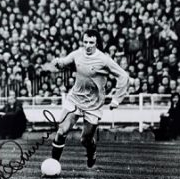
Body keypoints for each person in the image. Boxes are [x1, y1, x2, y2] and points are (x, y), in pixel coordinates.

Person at [50, 29, 129, 168]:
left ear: (97, 43)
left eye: (91, 42)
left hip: (94, 104)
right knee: (61, 131)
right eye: (85, 42)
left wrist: (117, 99)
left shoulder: (104, 60)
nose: (88, 45)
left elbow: (123, 76)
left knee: (85, 139)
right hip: (75, 99)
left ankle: (91, 152)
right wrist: (58, 62)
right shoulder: (77, 54)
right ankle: (53, 164)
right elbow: (65, 61)